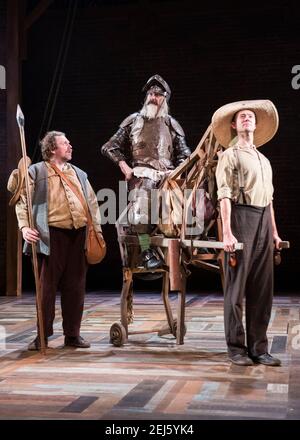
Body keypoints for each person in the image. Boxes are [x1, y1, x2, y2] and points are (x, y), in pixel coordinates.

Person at [14, 131, 103, 350]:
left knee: (76, 287)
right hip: (50, 236)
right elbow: (21, 200)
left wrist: (96, 232)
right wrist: (25, 227)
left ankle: (72, 335)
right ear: (53, 149)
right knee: (46, 289)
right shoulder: (36, 171)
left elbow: (92, 203)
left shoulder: (80, 174)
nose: (70, 145)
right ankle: (42, 336)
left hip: (78, 235)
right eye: (65, 143)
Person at [213, 100, 282, 366]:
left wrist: (275, 233)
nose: (246, 119)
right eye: (241, 117)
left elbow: (270, 201)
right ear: (234, 124)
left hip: (263, 220)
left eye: (250, 116)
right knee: (237, 287)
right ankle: (236, 348)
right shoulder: (230, 155)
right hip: (241, 217)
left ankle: (259, 348)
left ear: (256, 124)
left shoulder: (264, 160)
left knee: (262, 289)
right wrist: (228, 233)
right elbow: (224, 196)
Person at [101, 74, 191, 269]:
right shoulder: (133, 121)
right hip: (142, 174)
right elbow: (109, 146)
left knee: (195, 200)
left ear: (165, 99)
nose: (153, 97)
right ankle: (145, 251)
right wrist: (124, 166)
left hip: (168, 175)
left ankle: (192, 244)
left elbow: (185, 153)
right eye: (151, 93)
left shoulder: (171, 124)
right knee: (142, 209)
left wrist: (177, 172)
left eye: (158, 94)